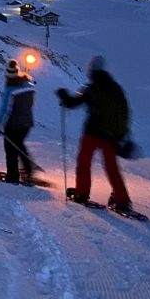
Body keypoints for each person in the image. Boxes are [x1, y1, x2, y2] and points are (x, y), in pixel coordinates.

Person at [57, 55, 133, 212]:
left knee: (84, 164)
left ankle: (82, 193)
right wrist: (122, 133)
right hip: (110, 136)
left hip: (91, 133)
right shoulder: (116, 89)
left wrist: (63, 95)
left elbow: (73, 103)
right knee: (112, 168)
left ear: (91, 70)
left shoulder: (91, 88)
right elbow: (125, 111)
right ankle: (122, 201)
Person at [0, 59, 36, 183]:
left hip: (13, 125)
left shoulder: (10, 89)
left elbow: (5, 109)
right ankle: (28, 170)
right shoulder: (29, 86)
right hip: (27, 123)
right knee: (19, 145)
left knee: (11, 150)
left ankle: (13, 175)